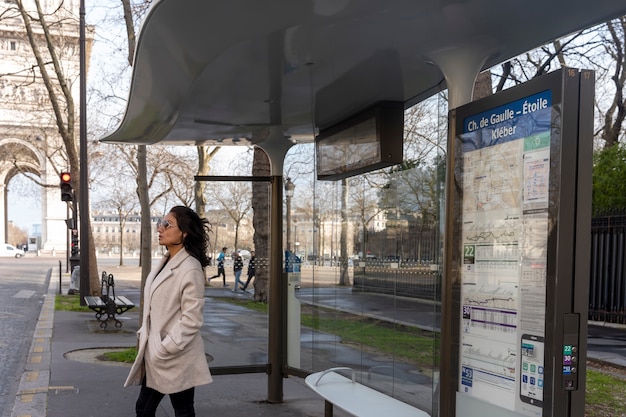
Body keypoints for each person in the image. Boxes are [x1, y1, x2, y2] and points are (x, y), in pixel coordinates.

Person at [125, 206, 213, 417]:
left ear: (184, 233)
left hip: (175, 355)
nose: (160, 228)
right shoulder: (166, 262)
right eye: (160, 223)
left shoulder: (190, 267)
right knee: (149, 408)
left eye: (167, 224)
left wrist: (167, 347)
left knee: (176, 410)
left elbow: (192, 318)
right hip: (157, 352)